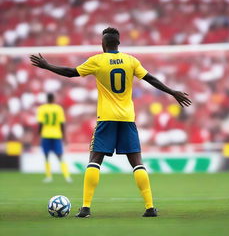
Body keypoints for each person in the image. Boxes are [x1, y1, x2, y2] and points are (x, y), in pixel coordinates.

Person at [30, 27, 191, 217]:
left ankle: (86, 208)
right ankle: (149, 207)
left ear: (103, 44)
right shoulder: (131, 61)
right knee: (137, 163)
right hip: (127, 118)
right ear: (119, 43)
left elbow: (71, 72)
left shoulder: (98, 60)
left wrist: (48, 66)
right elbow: (151, 79)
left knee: (95, 161)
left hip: (106, 118)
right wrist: (173, 92)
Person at [37, 93, 72, 183]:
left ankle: (49, 177)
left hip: (46, 135)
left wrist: (39, 135)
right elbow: (61, 124)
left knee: (46, 156)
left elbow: (40, 124)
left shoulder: (42, 109)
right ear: (53, 99)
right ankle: (67, 176)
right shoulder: (58, 109)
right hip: (57, 135)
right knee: (60, 156)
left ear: (47, 99)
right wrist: (64, 137)